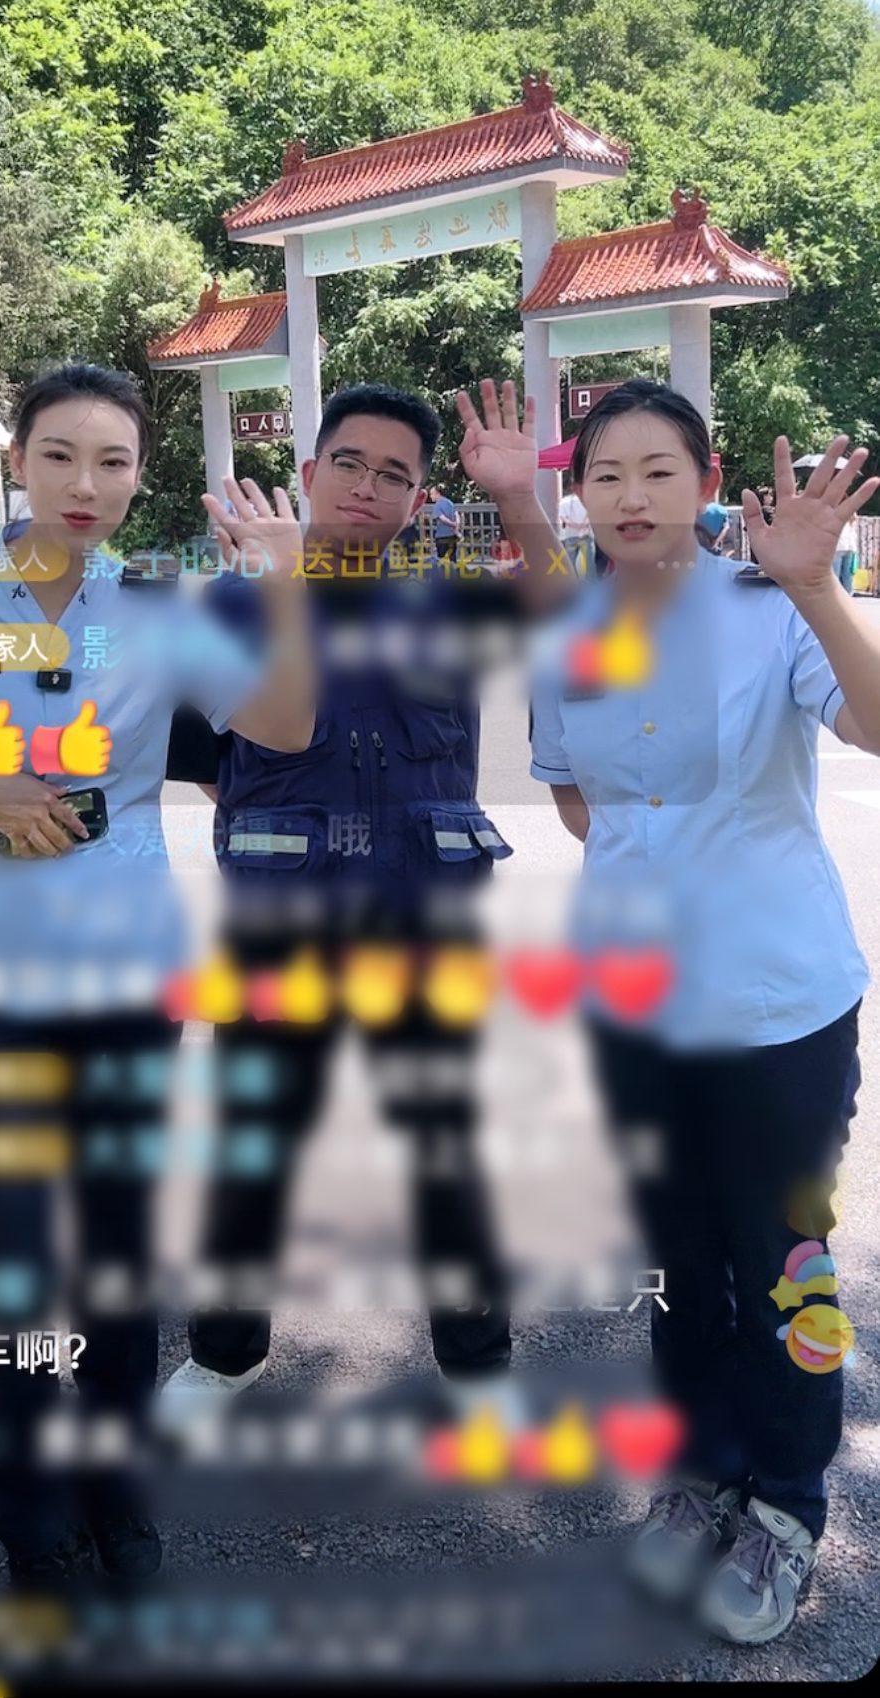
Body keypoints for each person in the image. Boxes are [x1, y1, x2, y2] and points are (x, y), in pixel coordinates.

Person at [0, 363, 316, 1593]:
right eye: (59, 454)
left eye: (112, 461)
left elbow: (282, 727)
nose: (85, 482)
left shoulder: (158, 608)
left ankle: (115, 1482)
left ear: (137, 478)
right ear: (17, 462)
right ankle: (28, 1515)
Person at [529, 378, 880, 1647]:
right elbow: (574, 795)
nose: (630, 496)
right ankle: (702, 1470)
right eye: (606, 474)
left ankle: (785, 1501)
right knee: (677, 1260)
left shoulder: (770, 607)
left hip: (780, 1005)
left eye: (659, 470)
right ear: (581, 494)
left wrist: (819, 587)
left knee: (782, 1261)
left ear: (709, 478)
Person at [158, 379, 569, 1430]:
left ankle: (478, 1363)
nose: (367, 487)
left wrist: (519, 501)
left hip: (424, 920)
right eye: (350, 462)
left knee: (444, 1146)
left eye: (395, 475)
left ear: (419, 498)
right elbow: (208, 768)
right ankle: (224, 1356)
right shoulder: (230, 604)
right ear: (310, 471)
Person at [560, 483, 594, 576]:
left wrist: (575, 525)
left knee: (570, 562)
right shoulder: (588, 500)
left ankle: (571, 580)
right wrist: (583, 524)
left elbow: (563, 518)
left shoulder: (564, 501)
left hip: (570, 535)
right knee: (589, 563)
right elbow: (590, 514)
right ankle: (590, 581)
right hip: (586, 534)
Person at [425, 482, 463, 562]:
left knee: (441, 559)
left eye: (431, 494)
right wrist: (456, 528)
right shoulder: (449, 503)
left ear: (437, 494)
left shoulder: (437, 505)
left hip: (441, 536)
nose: (430, 496)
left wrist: (452, 524)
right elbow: (457, 515)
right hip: (452, 535)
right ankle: (453, 569)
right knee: (452, 558)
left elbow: (442, 518)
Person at [833, 514, 857, 594]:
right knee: (846, 573)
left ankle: (835, 593)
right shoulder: (852, 520)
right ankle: (848, 592)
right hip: (850, 547)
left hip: (839, 546)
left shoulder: (839, 518)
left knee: (835, 573)